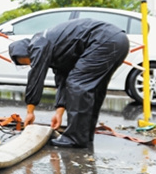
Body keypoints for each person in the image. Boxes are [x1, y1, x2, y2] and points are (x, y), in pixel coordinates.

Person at [8, 18, 129, 148]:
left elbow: (35, 77)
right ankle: (85, 135)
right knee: (95, 88)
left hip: (103, 40)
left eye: (25, 62)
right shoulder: (52, 48)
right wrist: (58, 113)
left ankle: (74, 138)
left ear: (24, 52)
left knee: (78, 84)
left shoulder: (37, 44)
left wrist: (30, 111)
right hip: (118, 40)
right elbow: (62, 81)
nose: (30, 64)